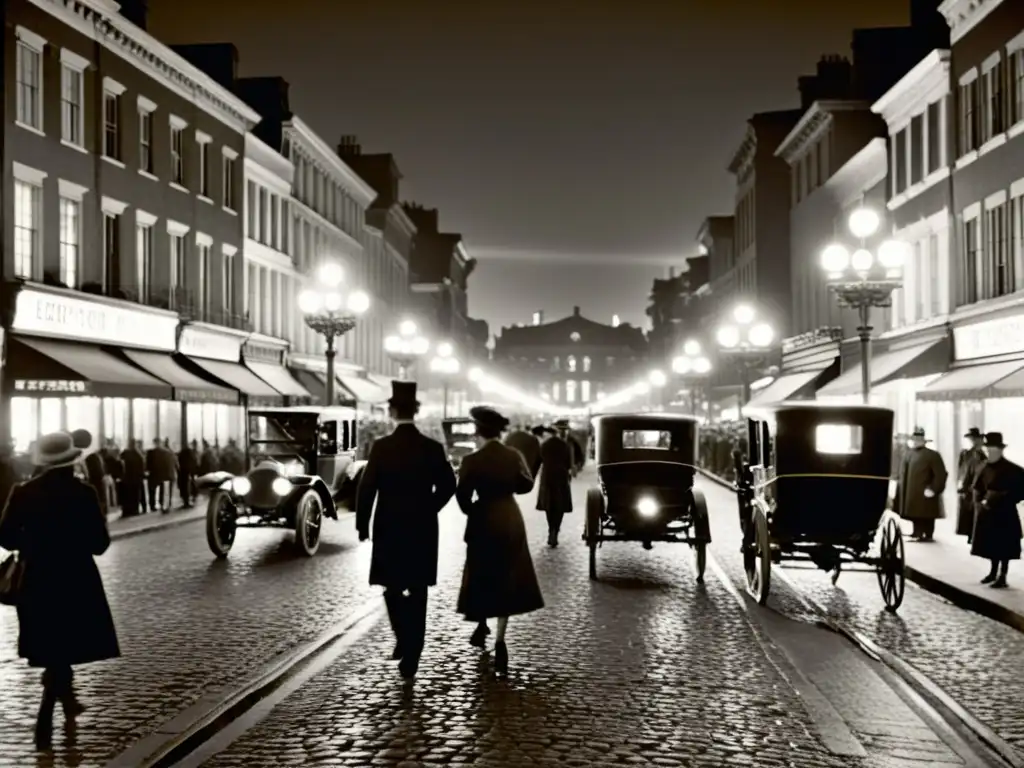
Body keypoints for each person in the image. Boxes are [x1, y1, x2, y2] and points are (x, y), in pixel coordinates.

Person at [0, 431, 120, 750]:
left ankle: (64, 703)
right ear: (72, 459)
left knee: (53, 647)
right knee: (65, 645)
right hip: (75, 578)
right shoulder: (84, 493)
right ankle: (46, 714)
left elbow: (6, 538)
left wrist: (33, 543)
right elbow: (100, 544)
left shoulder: (23, 492)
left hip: (36, 579)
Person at [355, 380, 456, 680]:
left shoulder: (382, 447)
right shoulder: (432, 448)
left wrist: (362, 524)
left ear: (392, 411)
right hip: (423, 527)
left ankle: (401, 635)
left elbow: (367, 486)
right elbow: (449, 485)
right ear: (416, 410)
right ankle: (414, 652)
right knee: (419, 589)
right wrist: (430, 507)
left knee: (392, 586)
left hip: (389, 525)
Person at [456, 406, 544, 677]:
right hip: (509, 518)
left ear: (478, 432)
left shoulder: (471, 460)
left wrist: (475, 511)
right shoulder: (513, 455)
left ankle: (481, 622)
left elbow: (462, 496)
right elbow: (526, 485)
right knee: (507, 576)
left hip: (483, 518)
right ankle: (500, 641)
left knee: (482, 572)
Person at [970, 432, 1024, 588]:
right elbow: (976, 487)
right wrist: (979, 502)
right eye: (987, 449)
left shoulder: (1013, 470)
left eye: (993, 449)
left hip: (1004, 513)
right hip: (988, 513)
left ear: (1000, 450)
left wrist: (1003, 497)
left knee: (1004, 545)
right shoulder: (983, 467)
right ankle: (993, 572)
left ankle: (1003, 575)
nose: (989, 452)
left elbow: (1020, 490)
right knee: (991, 544)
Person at [893, 426, 948, 541]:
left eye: (918, 439)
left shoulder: (933, 455)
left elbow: (941, 474)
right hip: (910, 492)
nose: (916, 441)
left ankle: (926, 533)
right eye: (914, 439)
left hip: (925, 491)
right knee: (914, 512)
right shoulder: (908, 454)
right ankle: (916, 532)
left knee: (925, 513)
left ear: (923, 440)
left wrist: (934, 488)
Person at [536, 419, 574, 547]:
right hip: (561, 476)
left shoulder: (545, 444)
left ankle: (551, 529)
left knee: (549, 504)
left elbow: (538, 460)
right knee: (560, 505)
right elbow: (569, 464)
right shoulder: (565, 445)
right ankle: (555, 531)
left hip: (547, 476)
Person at [957, 427, 987, 542]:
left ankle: (975, 536)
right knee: (969, 511)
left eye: (976, 439)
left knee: (976, 511)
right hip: (968, 484)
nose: (973, 441)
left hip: (978, 485)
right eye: (971, 439)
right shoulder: (966, 453)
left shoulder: (982, 454)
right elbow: (962, 470)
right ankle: (970, 534)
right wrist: (961, 484)